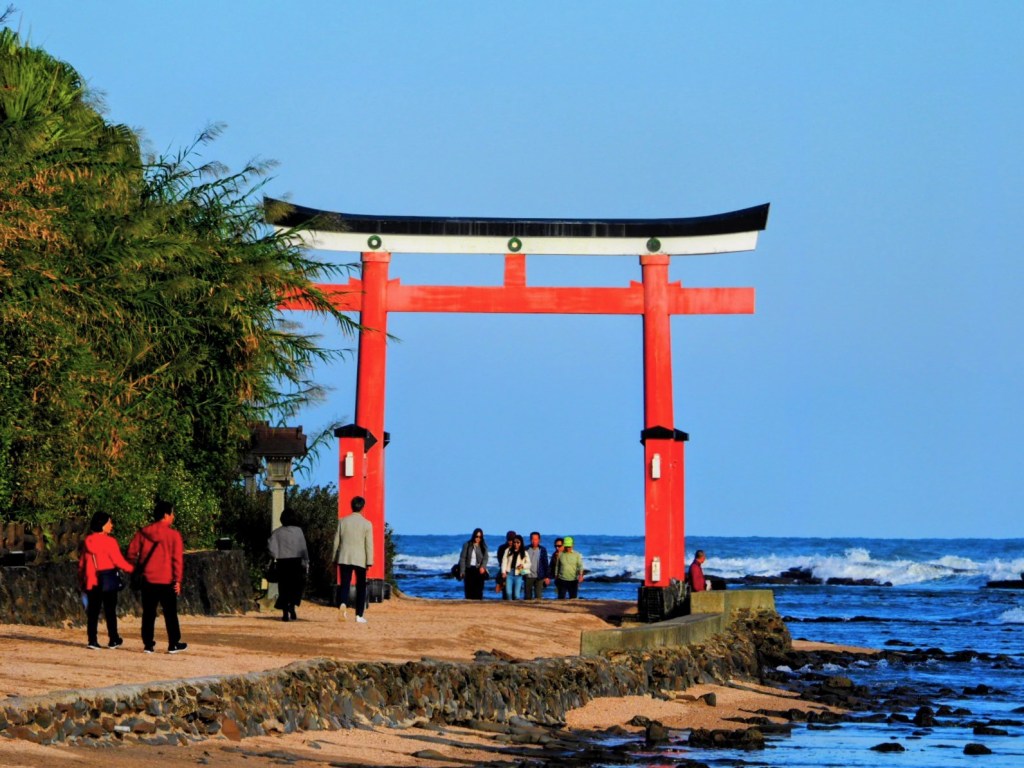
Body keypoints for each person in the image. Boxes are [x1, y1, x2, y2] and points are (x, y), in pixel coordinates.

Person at [127, 499, 187, 654]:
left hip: (148, 579)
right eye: (172, 513)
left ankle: (148, 644)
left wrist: (137, 566)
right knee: (170, 613)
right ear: (166, 515)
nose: (173, 517)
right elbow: (177, 560)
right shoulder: (173, 535)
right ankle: (173, 643)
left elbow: (131, 553)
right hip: (167, 580)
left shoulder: (143, 533)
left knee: (148, 613)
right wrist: (178, 579)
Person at [77, 512, 135, 650]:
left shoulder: (87, 542)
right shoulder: (110, 542)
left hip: (92, 580)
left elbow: (82, 564)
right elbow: (118, 560)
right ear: (102, 525)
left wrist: (81, 580)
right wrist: (133, 569)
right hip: (108, 579)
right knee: (110, 611)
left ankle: (92, 640)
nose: (111, 525)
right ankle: (113, 639)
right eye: (109, 522)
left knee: (93, 612)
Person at [332, 495, 374, 623]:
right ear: (363, 507)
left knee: (345, 584)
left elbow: (336, 542)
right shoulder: (367, 524)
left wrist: (334, 558)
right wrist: (369, 561)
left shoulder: (342, 521)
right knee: (361, 586)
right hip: (360, 559)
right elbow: (369, 545)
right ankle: (359, 615)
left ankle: (343, 604)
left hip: (344, 557)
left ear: (352, 506)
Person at [268, 506, 309, 622]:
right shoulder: (298, 531)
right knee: (295, 586)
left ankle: (285, 611)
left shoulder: (277, 532)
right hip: (296, 562)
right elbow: (303, 547)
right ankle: (292, 606)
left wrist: (275, 555)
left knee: (284, 587)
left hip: (283, 562)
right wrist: (306, 561)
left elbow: (271, 548)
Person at [458, 528, 489, 600]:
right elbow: (462, 558)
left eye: (480, 537)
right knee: (469, 590)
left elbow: (485, 558)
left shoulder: (483, 546)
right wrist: (462, 571)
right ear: (473, 536)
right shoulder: (467, 545)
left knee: (479, 590)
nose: (478, 538)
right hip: (469, 569)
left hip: (479, 570)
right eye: (476, 536)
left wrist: (483, 567)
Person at [500, 534, 531, 600]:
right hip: (509, 574)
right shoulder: (508, 550)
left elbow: (529, 563)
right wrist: (503, 572)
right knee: (508, 593)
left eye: (518, 542)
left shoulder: (524, 552)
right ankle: (510, 607)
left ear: (521, 543)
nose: (516, 544)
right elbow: (504, 561)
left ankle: (516, 608)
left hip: (518, 574)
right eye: (514, 542)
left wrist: (523, 565)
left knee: (516, 595)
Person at [524, 531, 550, 600]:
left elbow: (545, 563)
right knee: (527, 596)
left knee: (538, 596)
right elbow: (522, 562)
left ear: (539, 540)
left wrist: (547, 576)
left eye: (536, 539)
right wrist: (523, 573)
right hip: (528, 575)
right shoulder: (525, 549)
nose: (534, 541)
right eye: (532, 539)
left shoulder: (542, 549)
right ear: (530, 540)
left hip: (539, 576)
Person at [494, 530, 516, 599]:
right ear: (507, 539)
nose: (511, 542)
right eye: (509, 540)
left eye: (512, 540)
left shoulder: (517, 548)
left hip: (514, 572)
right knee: (506, 592)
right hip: (504, 571)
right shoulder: (502, 548)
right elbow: (500, 560)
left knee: (514, 591)